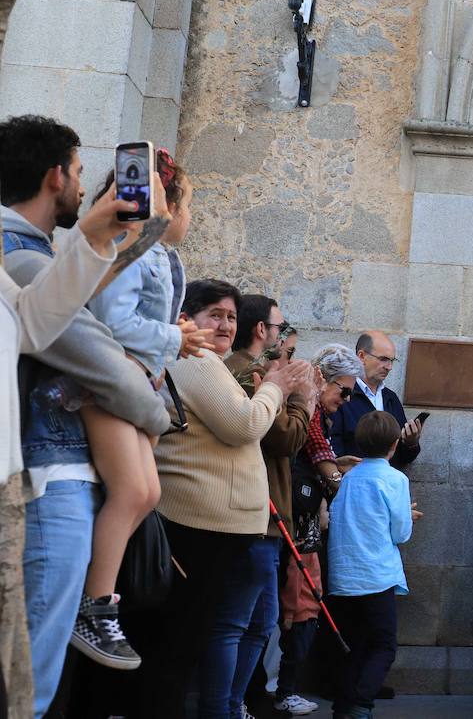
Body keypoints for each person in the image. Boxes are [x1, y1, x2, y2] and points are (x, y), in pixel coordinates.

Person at [0, 114, 172, 713]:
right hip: (52, 478)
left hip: (57, 470)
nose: (81, 187)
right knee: (30, 681)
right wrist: (157, 412)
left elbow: (84, 288)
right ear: (54, 176)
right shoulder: (17, 256)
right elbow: (93, 347)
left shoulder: (36, 252)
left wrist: (144, 229)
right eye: (77, 172)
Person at [129, 279, 313, 719]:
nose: (227, 324)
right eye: (215, 314)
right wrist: (278, 388)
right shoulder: (197, 361)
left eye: (231, 316)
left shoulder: (205, 362)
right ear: (185, 319)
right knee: (180, 648)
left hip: (217, 528)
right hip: (200, 528)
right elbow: (244, 426)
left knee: (190, 644)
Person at [77, 150, 213, 670]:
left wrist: (174, 341)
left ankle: (101, 590)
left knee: (148, 491)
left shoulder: (160, 256)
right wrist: (174, 336)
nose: (189, 218)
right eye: (188, 205)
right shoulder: (130, 245)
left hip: (141, 380)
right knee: (134, 489)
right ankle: (95, 604)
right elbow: (113, 320)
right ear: (167, 203)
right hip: (110, 377)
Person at [224, 306, 317, 719]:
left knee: (253, 621)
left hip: (266, 513)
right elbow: (284, 438)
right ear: (263, 329)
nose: (287, 352)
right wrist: (304, 399)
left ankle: (232, 702)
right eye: (283, 335)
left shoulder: (253, 369)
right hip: (257, 514)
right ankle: (229, 705)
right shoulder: (248, 372)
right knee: (253, 622)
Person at [327, 410, 418, 719]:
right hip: (376, 577)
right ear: (395, 444)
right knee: (383, 646)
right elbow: (401, 533)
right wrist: (406, 513)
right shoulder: (395, 479)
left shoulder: (348, 477)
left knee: (353, 647)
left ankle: (343, 705)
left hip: (343, 577)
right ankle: (360, 704)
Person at [331, 331, 422, 468]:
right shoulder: (343, 395)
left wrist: (411, 443)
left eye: (392, 360)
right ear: (361, 356)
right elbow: (333, 448)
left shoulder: (390, 398)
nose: (389, 367)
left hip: (389, 484)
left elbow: (404, 458)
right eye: (383, 359)